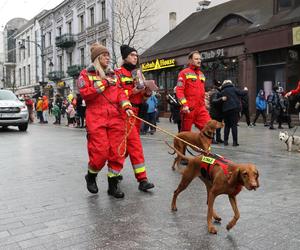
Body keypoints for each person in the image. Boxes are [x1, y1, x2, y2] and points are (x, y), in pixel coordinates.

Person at [79, 43, 133, 198]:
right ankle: (91, 175)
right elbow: (86, 94)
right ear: (97, 58)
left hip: (116, 118)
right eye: (105, 55)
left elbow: (121, 93)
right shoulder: (85, 74)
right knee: (100, 153)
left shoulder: (114, 75)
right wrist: (104, 83)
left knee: (117, 153)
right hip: (96, 118)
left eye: (109, 55)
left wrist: (127, 107)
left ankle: (113, 184)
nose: (108, 58)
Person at [115, 44, 155, 191]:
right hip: (125, 113)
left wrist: (148, 92)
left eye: (136, 55)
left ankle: (114, 172)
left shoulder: (138, 74)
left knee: (125, 148)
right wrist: (132, 91)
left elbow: (142, 97)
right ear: (125, 57)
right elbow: (116, 96)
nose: (135, 57)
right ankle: (142, 180)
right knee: (135, 145)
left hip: (137, 113)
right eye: (132, 55)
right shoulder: (117, 73)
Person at [176, 51, 211, 132]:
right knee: (185, 133)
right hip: (188, 109)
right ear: (190, 60)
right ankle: (181, 144)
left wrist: (205, 97)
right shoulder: (183, 73)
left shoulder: (201, 74)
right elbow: (179, 90)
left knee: (209, 128)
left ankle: (204, 145)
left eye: (200, 59)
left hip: (201, 108)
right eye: (196, 59)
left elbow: (201, 91)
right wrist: (184, 105)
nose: (199, 61)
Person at [218, 80, 247, 146]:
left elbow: (219, 99)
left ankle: (225, 141)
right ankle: (235, 142)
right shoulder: (233, 89)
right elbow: (242, 93)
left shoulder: (222, 91)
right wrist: (246, 90)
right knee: (234, 125)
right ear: (230, 83)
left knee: (227, 126)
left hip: (225, 110)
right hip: (234, 109)